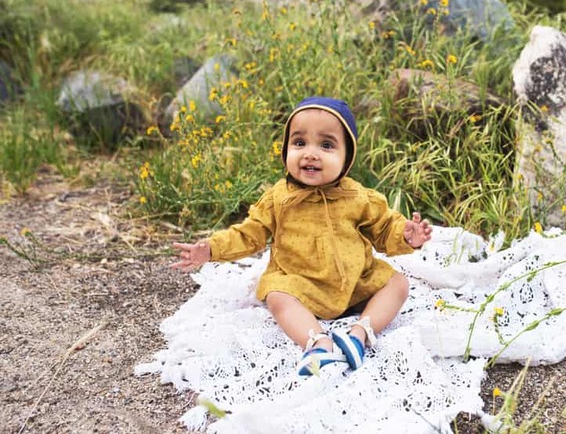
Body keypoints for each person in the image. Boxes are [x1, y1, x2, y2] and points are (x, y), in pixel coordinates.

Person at [171, 96, 432, 376]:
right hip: (301, 285)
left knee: (398, 284)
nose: (310, 153)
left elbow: (384, 227)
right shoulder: (278, 198)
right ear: (286, 149)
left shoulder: (357, 196)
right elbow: (249, 234)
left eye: (326, 145)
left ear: (347, 158)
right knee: (276, 295)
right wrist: (211, 249)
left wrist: (406, 236)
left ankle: (359, 335)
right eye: (299, 142)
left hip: (355, 283)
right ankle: (317, 343)